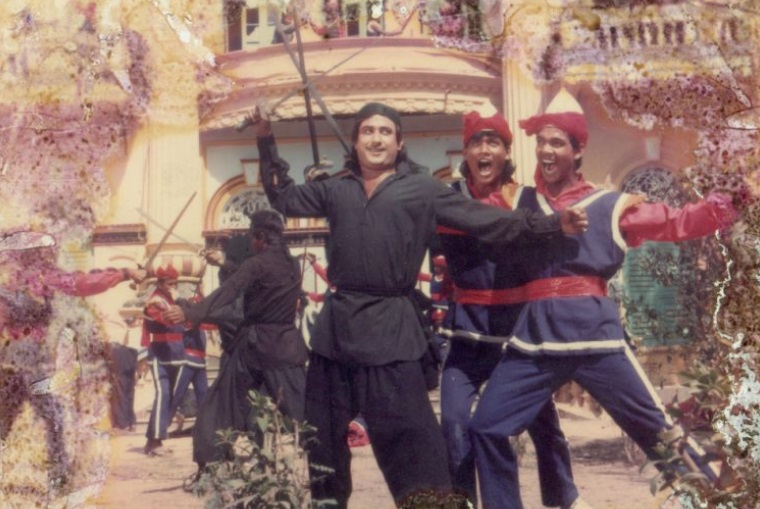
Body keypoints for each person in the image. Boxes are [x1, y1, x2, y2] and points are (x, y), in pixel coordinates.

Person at [257, 101, 588, 508]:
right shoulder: (336, 189)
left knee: (414, 449)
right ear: (355, 141)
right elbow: (283, 196)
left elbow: (489, 220)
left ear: (399, 143)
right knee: (323, 447)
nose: (376, 139)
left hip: (392, 334)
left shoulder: (422, 189)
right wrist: (265, 136)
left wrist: (553, 224)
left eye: (385, 131)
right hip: (335, 336)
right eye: (367, 131)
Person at [468, 90, 737, 509]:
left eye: (557, 142)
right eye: (541, 141)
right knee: (486, 426)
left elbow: (679, 222)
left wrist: (734, 198)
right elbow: (464, 208)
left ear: (577, 151)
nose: (546, 150)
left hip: (596, 337)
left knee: (660, 433)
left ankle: (718, 501)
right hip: (535, 339)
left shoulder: (611, 205)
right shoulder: (517, 200)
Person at [436, 109, 583, 508]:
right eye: (476, 143)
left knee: (542, 422)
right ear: (465, 152)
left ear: (505, 153)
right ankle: (464, 501)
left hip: (518, 336)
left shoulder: (525, 198)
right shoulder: (446, 197)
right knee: (453, 420)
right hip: (467, 335)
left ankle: (564, 498)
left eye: (493, 143)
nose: (484, 150)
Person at [163, 210, 309, 484]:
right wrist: (225, 263)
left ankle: (207, 472)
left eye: (253, 238)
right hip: (286, 349)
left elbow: (229, 290)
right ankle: (327, 472)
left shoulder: (256, 264)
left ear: (260, 237)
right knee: (307, 415)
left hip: (254, 349)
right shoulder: (291, 264)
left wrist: (190, 312)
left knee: (215, 409)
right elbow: (259, 283)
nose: (251, 243)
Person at [141, 265, 188, 456]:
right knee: (163, 394)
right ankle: (156, 442)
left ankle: (152, 441)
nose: (173, 287)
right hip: (160, 353)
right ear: (160, 284)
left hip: (175, 354)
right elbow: (169, 320)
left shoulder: (171, 300)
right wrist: (179, 303)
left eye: (175, 283)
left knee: (169, 396)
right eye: (170, 284)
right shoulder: (155, 302)